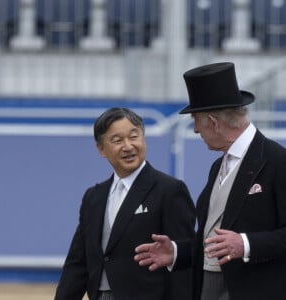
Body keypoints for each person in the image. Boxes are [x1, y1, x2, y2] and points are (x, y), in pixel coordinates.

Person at [134, 62, 286, 300]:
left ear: (214, 122)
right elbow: (211, 240)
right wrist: (176, 252)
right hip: (207, 287)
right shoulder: (218, 166)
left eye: (196, 120)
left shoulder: (278, 161)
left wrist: (246, 244)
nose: (195, 130)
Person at [54, 107, 196, 300]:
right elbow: (78, 262)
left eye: (134, 137)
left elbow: (184, 261)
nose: (128, 146)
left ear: (144, 139)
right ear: (101, 149)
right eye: (117, 140)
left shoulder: (169, 190)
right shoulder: (94, 197)